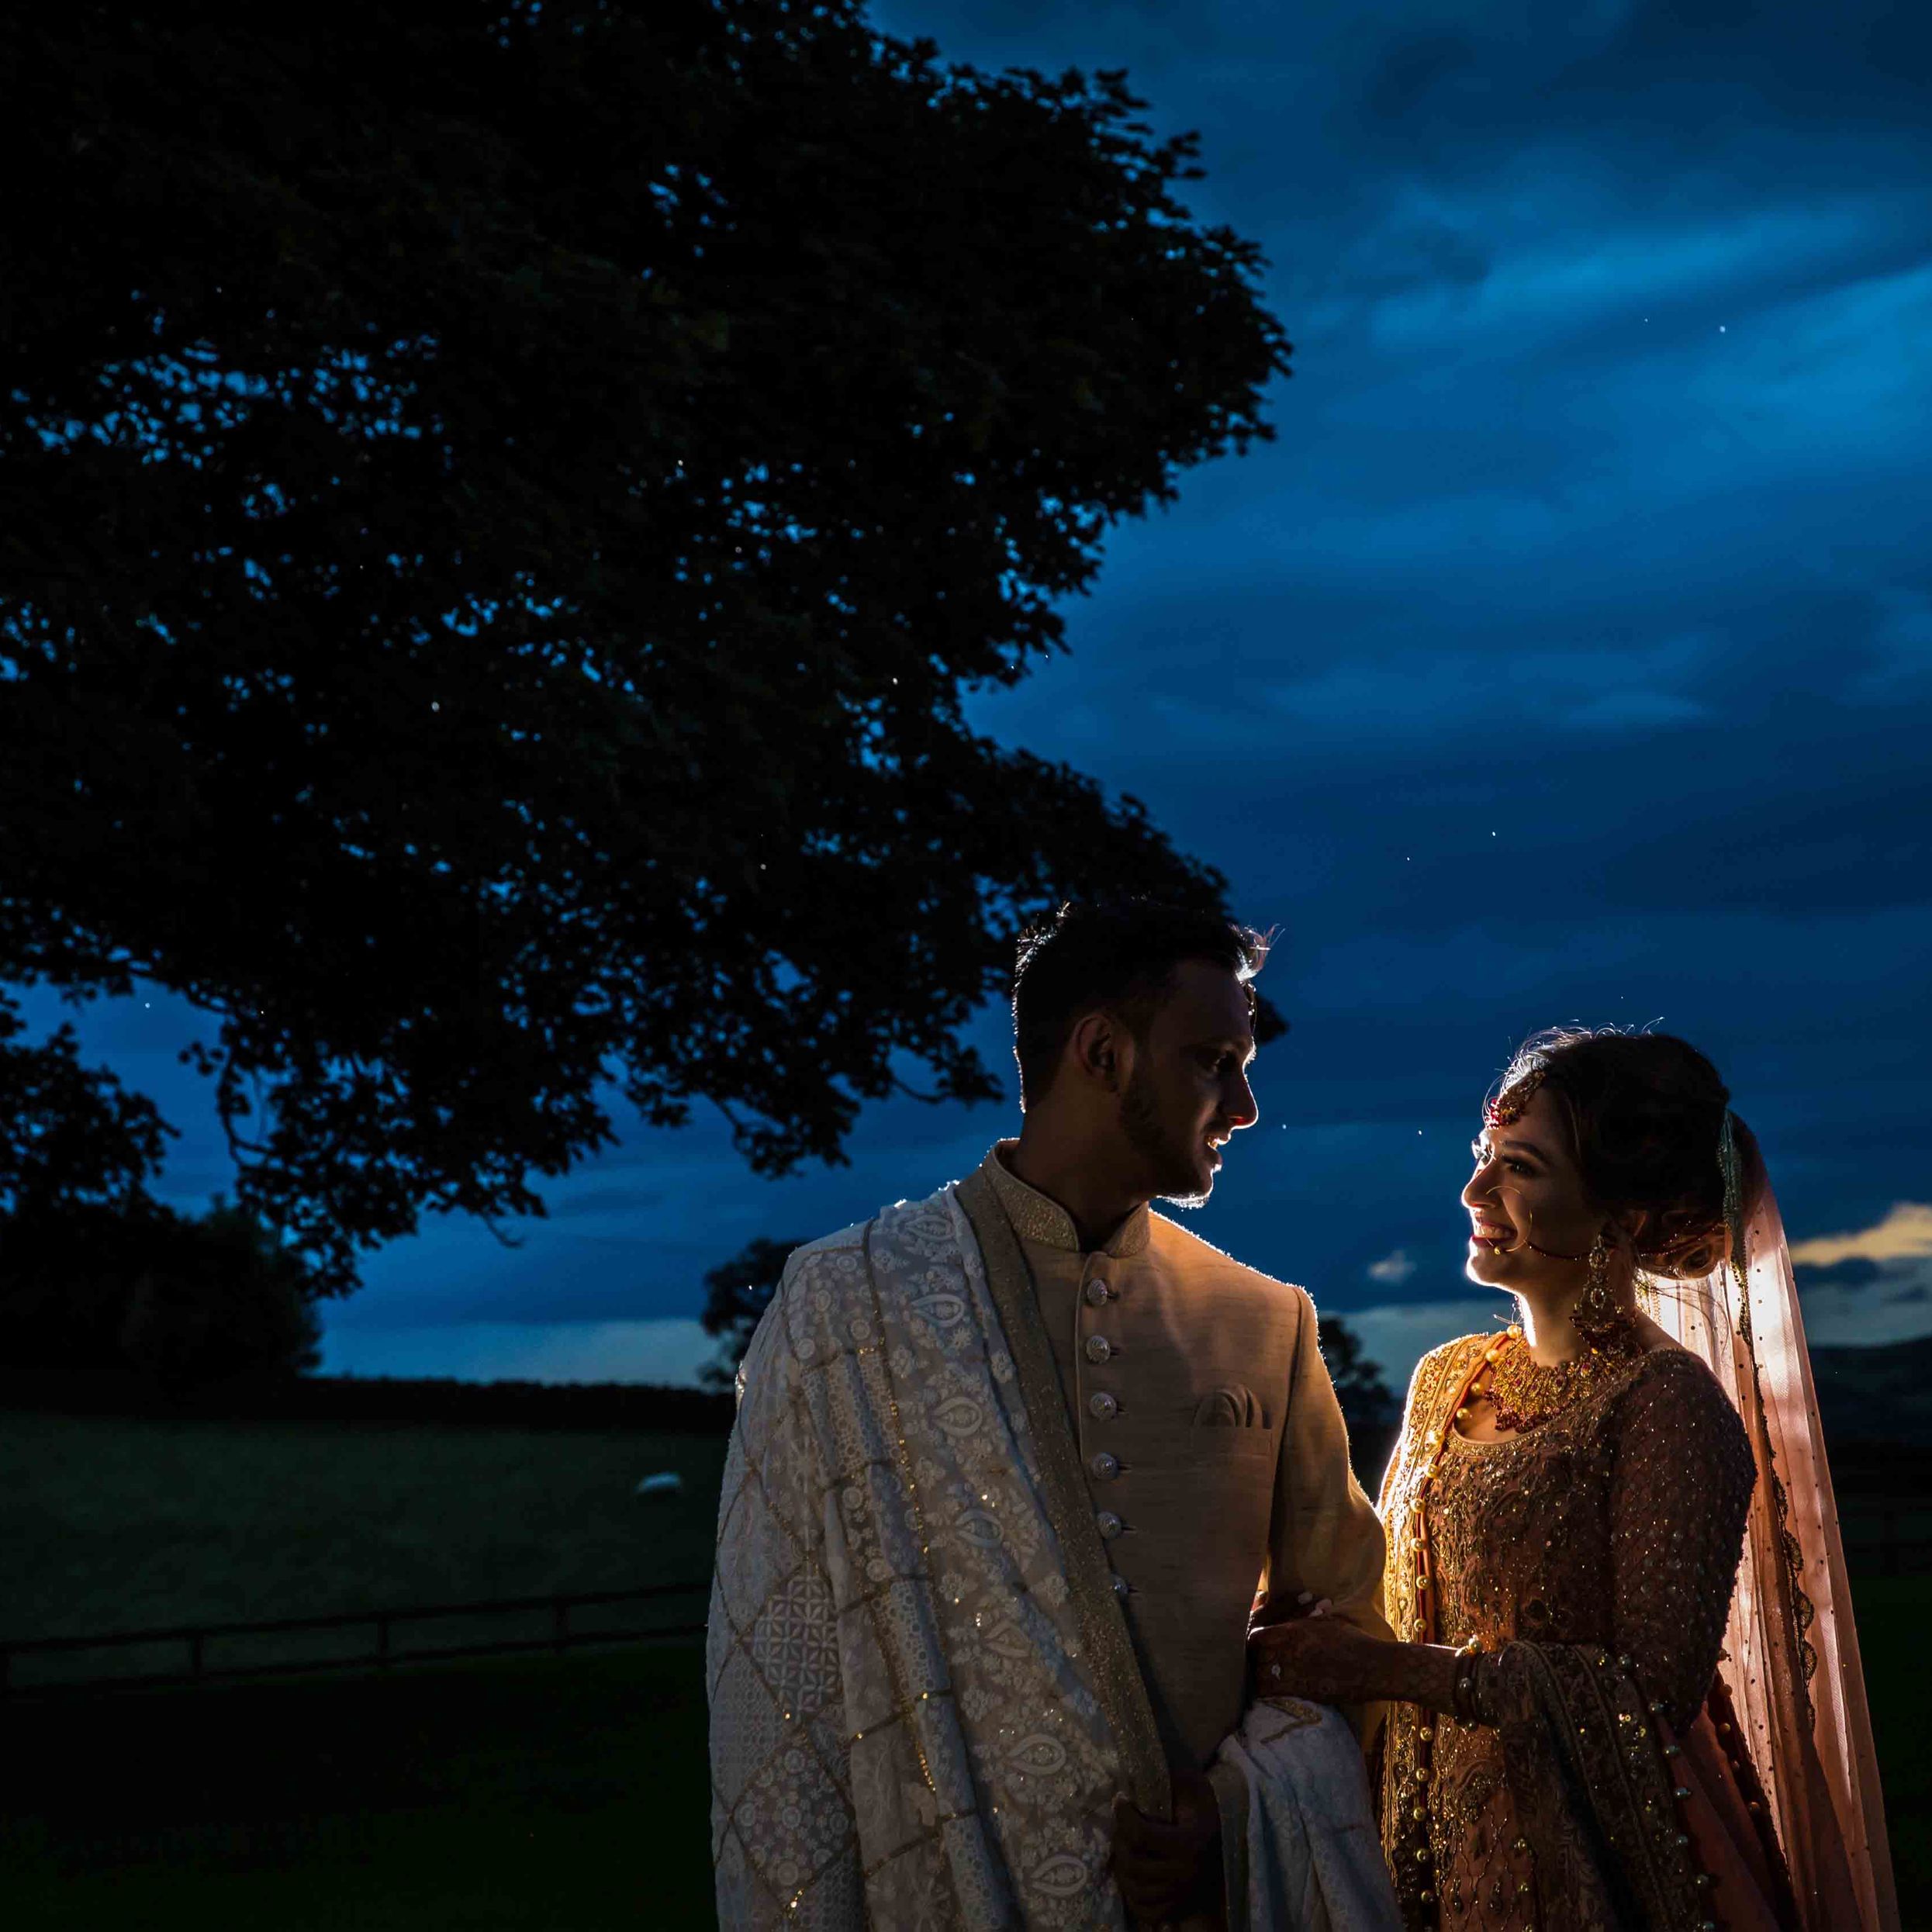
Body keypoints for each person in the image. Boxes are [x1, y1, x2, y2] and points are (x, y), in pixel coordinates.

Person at [707, 901, 1399, 1930]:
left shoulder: (1264, 1322)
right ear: (1101, 1052)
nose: (1244, 1104)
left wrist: (1235, 1808)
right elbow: (782, 1681)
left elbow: (1346, 1633)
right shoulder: (845, 1305)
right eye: (1213, 1059)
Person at [1249, 1028, 1899, 1931]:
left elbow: (1646, 1693)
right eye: (1484, 1158)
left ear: (1620, 1220)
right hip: (1414, 1829)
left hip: (1587, 1858)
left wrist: (1381, 1667)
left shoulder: (1667, 1404)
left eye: (1520, 1168)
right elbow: (1402, 1592)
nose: (1475, 1190)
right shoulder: (1448, 1375)